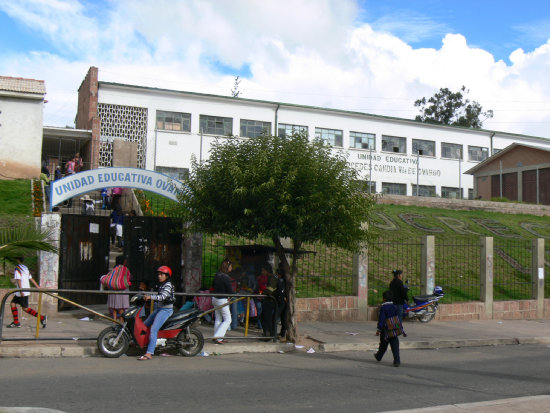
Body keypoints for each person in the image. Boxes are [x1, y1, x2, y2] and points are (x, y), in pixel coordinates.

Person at [138, 266, 175, 360]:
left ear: (167, 276)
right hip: (159, 308)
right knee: (145, 325)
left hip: (166, 310)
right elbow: (158, 295)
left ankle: (149, 353)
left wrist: (151, 297)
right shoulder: (162, 284)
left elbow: (162, 297)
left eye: (162, 274)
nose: (159, 276)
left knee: (154, 329)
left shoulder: (168, 285)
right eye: (159, 274)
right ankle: (138, 342)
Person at [8, 257, 47, 329]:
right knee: (12, 304)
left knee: (25, 308)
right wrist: (38, 286)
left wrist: (21, 290)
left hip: (22, 291)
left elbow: (18, 280)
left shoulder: (17, 268)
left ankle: (42, 317)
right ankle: (16, 322)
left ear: (17, 260)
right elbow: (31, 278)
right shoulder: (25, 267)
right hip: (22, 291)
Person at [374, 290, 405, 367]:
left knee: (383, 345)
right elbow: (397, 317)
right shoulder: (394, 307)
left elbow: (381, 319)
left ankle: (379, 356)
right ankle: (397, 360)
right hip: (394, 328)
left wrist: (379, 329)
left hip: (386, 330)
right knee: (395, 345)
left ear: (384, 299)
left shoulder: (383, 307)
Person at [211, 258, 234, 344]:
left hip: (215, 298)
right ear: (227, 267)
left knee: (218, 318)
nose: (231, 268)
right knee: (228, 319)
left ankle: (218, 337)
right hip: (222, 300)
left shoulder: (217, 275)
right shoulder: (226, 277)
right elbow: (230, 291)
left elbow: (213, 285)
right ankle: (218, 337)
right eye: (231, 266)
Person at [107, 255, 132, 323]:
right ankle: (121, 321)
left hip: (113, 290)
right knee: (121, 307)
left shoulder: (114, 269)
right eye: (125, 260)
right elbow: (129, 277)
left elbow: (109, 277)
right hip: (122, 291)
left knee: (114, 306)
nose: (126, 261)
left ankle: (114, 320)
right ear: (123, 261)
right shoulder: (125, 269)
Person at [260, 263, 280, 338]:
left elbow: (270, 290)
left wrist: (262, 293)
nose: (262, 272)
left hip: (270, 301)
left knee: (265, 318)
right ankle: (269, 334)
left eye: (263, 271)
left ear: (267, 271)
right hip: (270, 300)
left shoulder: (272, 278)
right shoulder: (271, 277)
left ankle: (269, 334)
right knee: (265, 317)